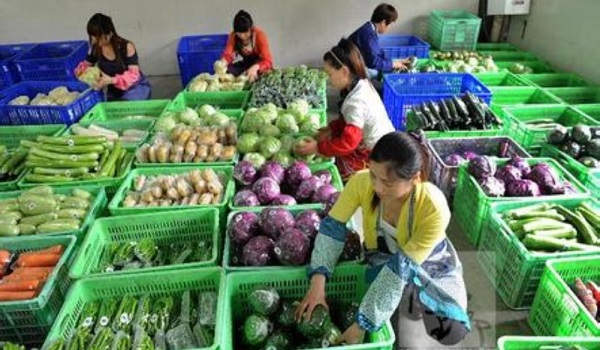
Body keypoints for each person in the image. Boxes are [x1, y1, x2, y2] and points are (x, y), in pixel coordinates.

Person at [295, 131, 471, 348]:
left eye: (387, 183)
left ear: (414, 178)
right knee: (394, 313)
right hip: (384, 258)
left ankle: (414, 300)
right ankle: (408, 302)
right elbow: (332, 228)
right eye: (373, 176)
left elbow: (402, 267)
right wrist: (318, 282)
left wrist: (361, 325)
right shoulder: (361, 183)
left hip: (430, 265)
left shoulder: (432, 207)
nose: (377, 187)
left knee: (451, 331)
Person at [293, 38, 394, 181]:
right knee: (334, 145)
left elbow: (349, 143)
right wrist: (332, 129)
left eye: (329, 74)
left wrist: (318, 148)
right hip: (381, 141)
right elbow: (348, 121)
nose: (328, 79)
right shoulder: (360, 84)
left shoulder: (356, 102)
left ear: (344, 71)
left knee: (342, 166)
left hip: (378, 153)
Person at [75, 13, 151, 101]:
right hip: (114, 90)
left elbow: (133, 75)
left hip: (134, 88)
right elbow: (87, 65)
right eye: (92, 37)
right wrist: (82, 72)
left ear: (110, 34)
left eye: (98, 37)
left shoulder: (126, 47)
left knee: (127, 107)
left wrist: (111, 80)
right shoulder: (95, 48)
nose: (95, 40)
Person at [349, 3, 409, 80]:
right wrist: (392, 65)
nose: (389, 27)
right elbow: (373, 62)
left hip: (355, 64)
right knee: (379, 77)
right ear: (383, 22)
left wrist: (395, 62)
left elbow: (377, 53)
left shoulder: (370, 29)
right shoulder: (368, 34)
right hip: (351, 69)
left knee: (383, 69)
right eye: (390, 24)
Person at [218, 10, 273, 82]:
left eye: (246, 33)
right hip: (246, 64)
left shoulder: (259, 35)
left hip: (259, 64)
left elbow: (268, 60)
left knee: (261, 75)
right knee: (227, 71)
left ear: (251, 28)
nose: (243, 36)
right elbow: (228, 54)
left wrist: (256, 67)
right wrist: (223, 62)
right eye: (239, 33)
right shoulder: (233, 36)